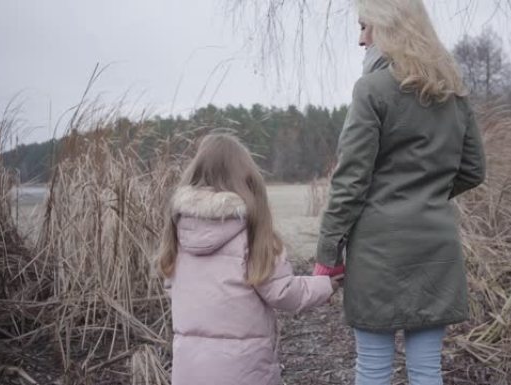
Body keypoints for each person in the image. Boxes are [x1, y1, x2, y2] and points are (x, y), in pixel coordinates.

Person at [313, 0, 486, 384]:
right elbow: (473, 170)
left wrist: (328, 253)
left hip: (379, 253)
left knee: (373, 369)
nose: (361, 40)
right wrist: (426, 197)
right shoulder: (452, 90)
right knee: (427, 370)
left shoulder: (372, 89)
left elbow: (350, 182)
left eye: (365, 26)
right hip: (436, 250)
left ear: (387, 27)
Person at [157, 133, 343, 385]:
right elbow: (284, 292)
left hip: (189, 371)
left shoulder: (178, 235)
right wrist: (325, 284)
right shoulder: (252, 236)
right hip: (244, 372)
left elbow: (172, 289)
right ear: (248, 180)